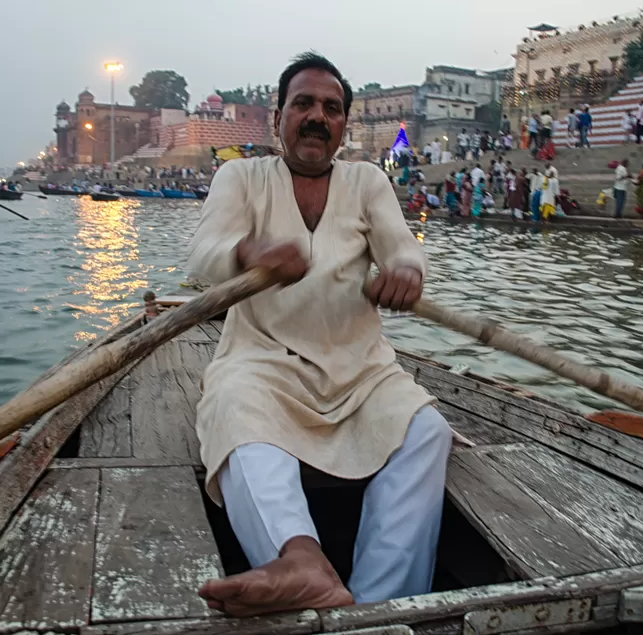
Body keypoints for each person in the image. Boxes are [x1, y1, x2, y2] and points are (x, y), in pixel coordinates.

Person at [188, 52, 452, 617]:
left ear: (343, 125)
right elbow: (202, 257)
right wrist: (249, 252)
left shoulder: (367, 181)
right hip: (263, 361)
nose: (317, 116)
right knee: (235, 413)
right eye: (303, 104)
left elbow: (402, 247)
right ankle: (300, 560)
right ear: (277, 116)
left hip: (360, 368)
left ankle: (380, 603)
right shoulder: (241, 176)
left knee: (427, 431)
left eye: (331, 108)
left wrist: (406, 272)